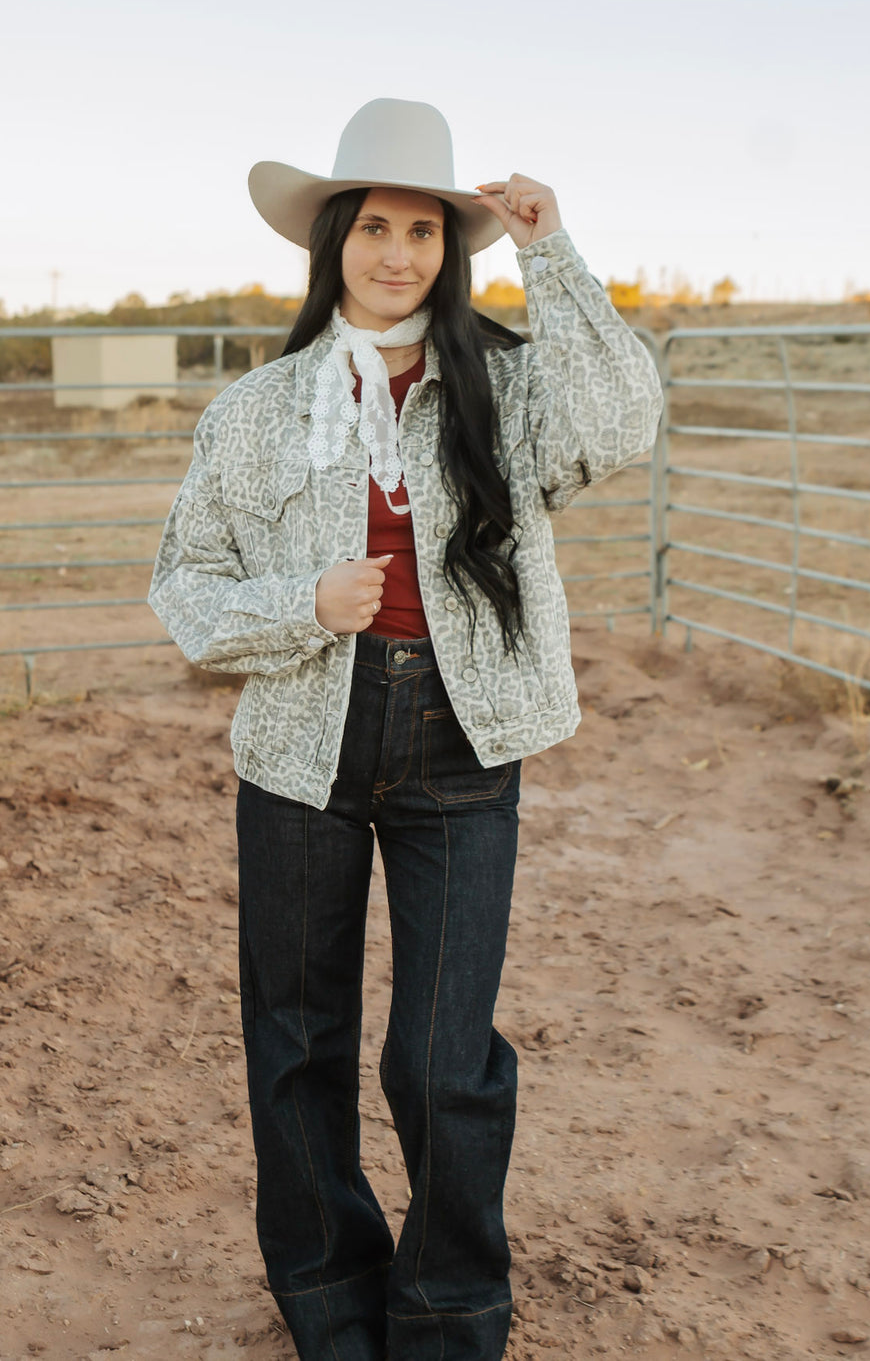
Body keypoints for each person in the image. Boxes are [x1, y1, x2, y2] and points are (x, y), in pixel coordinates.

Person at [149, 98, 664, 1361]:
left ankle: (446, 1315)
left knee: (443, 1058)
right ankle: (329, 1297)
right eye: (374, 227)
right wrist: (304, 604)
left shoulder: (504, 387)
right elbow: (185, 587)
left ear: (450, 249)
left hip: (460, 740)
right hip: (300, 749)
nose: (396, 253)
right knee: (296, 1039)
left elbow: (622, 419)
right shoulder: (255, 410)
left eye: (423, 231)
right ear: (333, 240)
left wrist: (552, 251)